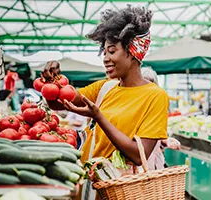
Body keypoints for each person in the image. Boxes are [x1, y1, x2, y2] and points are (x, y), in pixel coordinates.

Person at [42, 5, 168, 199]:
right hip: (89, 183)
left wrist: (98, 117)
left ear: (132, 51)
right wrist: (52, 82)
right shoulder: (105, 87)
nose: (106, 58)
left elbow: (137, 154)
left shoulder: (155, 96)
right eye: (105, 52)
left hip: (121, 189)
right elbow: (60, 103)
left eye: (112, 51)